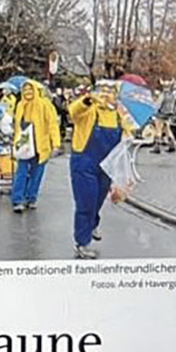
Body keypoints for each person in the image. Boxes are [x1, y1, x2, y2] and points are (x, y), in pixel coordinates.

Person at [68, 80, 134, 259]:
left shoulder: (118, 116)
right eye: (102, 91)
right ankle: (82, 243)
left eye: (110, 91)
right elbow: (73, 111)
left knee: (96, 202)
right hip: (84, 164)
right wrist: (88, 99)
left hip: (106, 167)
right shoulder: (89, 110)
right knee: (86, 204)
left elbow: (130, 131)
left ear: (116, 96)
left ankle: (92, 224)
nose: (106, 94)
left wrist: (132, 135)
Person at [11, 80, 61, 212]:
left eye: (30, 89)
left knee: (36, 173)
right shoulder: (20, 105)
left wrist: (55, 144)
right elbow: (17, 126)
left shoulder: (45, 105)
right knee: (21, 172)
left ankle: (31, 197)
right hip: (24, 145)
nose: (28, 92)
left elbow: (52, 125)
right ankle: (17, 199)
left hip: (40, 145)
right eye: (25, 89)